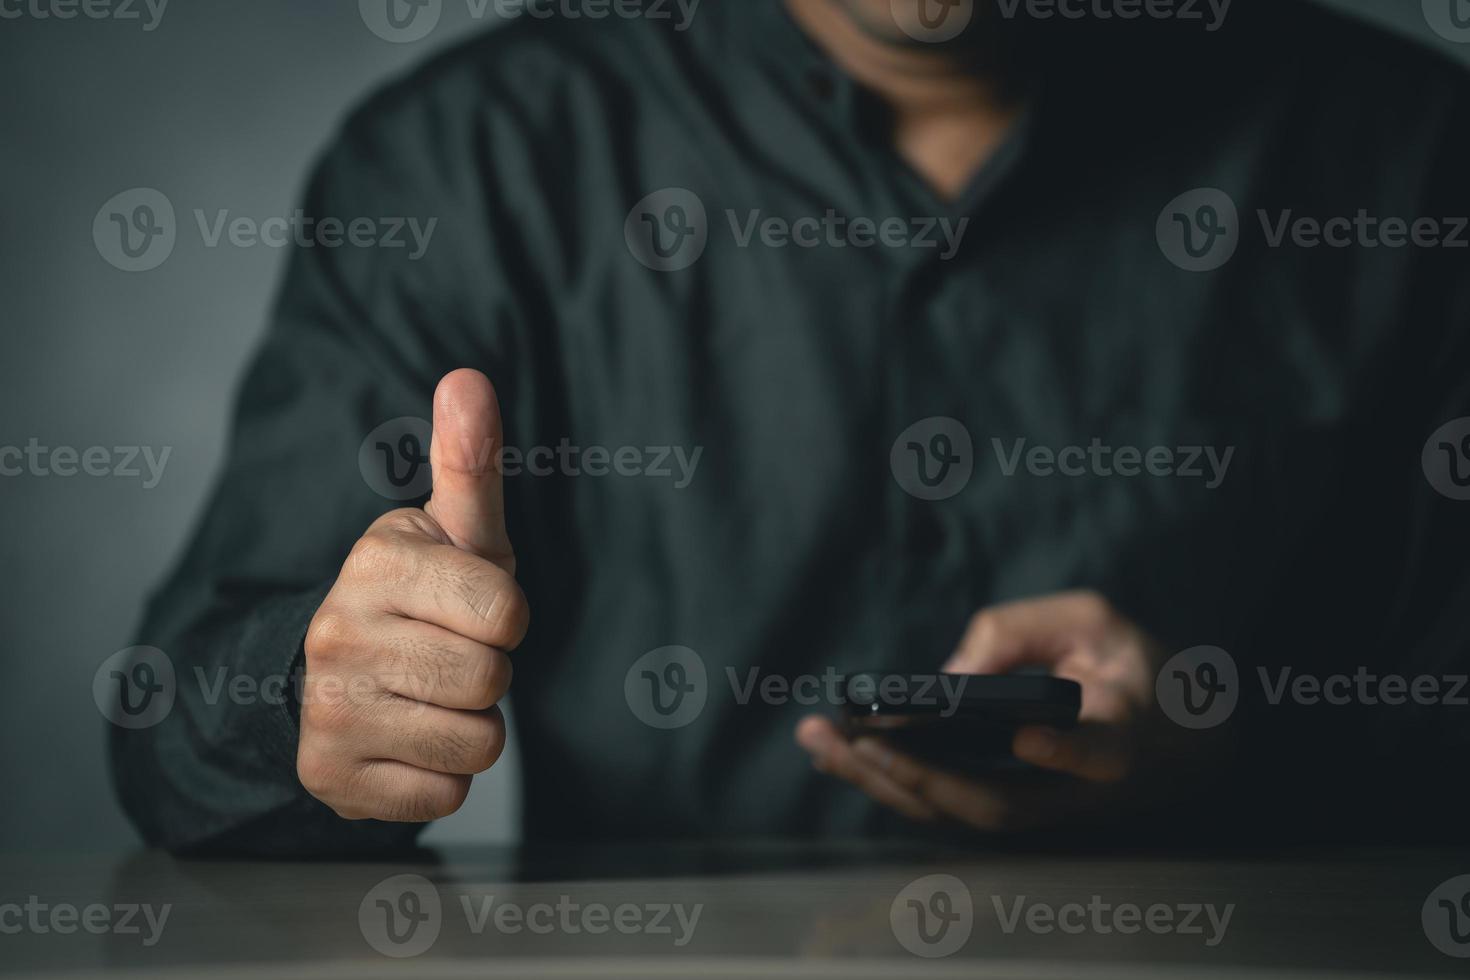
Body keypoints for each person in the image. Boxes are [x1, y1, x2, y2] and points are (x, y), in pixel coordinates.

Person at [111, 0, 1470, 854]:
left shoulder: (1409, 156)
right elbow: (174, 731)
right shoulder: (467, 160)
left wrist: (1235, 753)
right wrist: (321, 699)